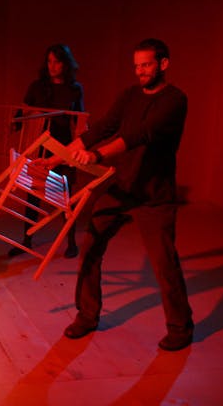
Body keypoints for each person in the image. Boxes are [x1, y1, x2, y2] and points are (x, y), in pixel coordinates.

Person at [39, 38, 193, 351]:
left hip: (154, 194)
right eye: (137, 66)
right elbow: (101, 129)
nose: (141, 72)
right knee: (91, 246)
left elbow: (141, 134)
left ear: (163, 63)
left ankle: (180, 327)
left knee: (164, 263)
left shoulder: (175, 100)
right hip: (120, 186)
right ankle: (87, 315)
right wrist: (56, 158)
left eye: (147, 65)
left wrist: (97, 156)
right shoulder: (130, 95)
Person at [9, 43, 84, 259]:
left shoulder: (74, 88)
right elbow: (24, 110)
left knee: (65, 195)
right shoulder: (37, 86)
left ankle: (71, 242)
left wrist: (78, 146)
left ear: (66, 64)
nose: (52, 66)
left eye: (57, 61)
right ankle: (27, 239)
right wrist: (16, 123)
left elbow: (79, 119)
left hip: (62, 146)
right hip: (38, 146)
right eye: (49, 61)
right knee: (33, 192)